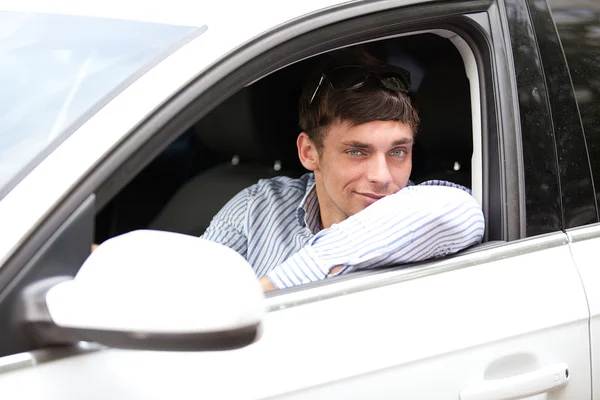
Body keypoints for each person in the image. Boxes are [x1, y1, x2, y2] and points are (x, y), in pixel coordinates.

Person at [202, 48, 485, 292]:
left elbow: (461, 210)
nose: (383, 176)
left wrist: (268, 288)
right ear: (309, 152)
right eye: (356, 152)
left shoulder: (430, 213)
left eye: (398, 152)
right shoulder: (259, 207)